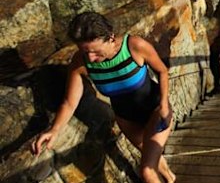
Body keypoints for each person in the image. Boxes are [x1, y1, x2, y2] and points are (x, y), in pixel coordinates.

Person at [31, 12, 175, 183]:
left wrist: (164, 104)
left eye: (96, 51)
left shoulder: (134, 46)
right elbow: (70, 103)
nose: (91, 57)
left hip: (156, 110)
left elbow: (162, 71)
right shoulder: (80, 61)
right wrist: (53, 130)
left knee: (147, 171)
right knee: (153, 160)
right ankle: (170, 179)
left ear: (111, 39)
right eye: (85, 51)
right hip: (127, 119)